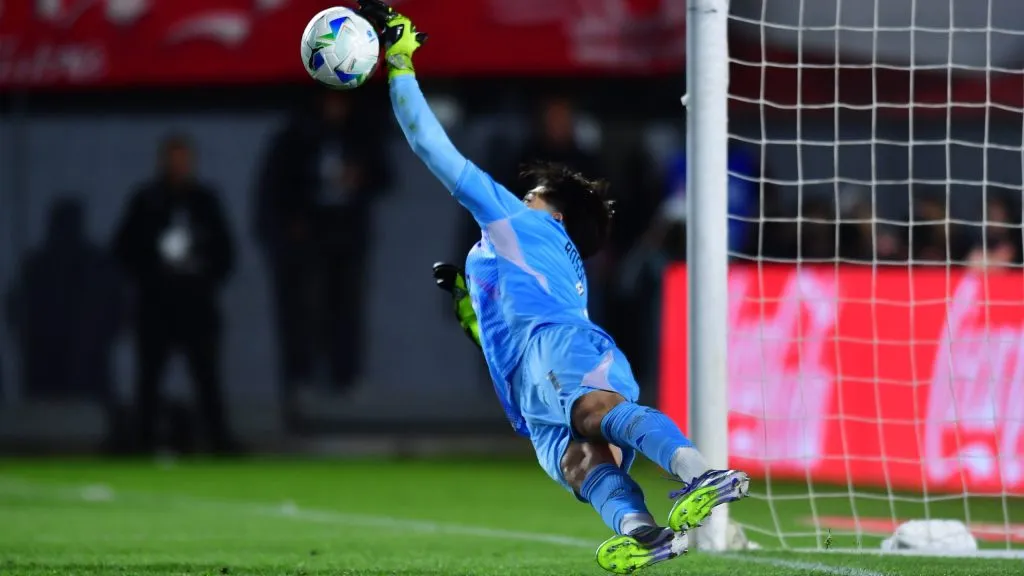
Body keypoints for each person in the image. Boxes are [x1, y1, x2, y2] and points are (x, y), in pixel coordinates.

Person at [355, 2, 749, 572]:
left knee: (595, 412)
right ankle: (645, 535)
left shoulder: (519, 222)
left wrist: (400, 65)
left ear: (556, 216)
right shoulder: (527, 249)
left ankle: (702, 473)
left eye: (535, 191)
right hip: (527, 381)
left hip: (560, 347)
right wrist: (471, 313)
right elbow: (504, 329)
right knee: (583, 465)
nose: (525, 194)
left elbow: (430, 147)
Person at [254, 90, 390, 416]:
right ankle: (301, 381)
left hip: (347, 238)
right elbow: (276, 188)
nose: (335, 108)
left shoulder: (360, 136)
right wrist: (292, 221)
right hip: (307, 243)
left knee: (346, 311)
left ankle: (346, 378)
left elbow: (384, 176)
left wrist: (361, 176)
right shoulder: (295, 137)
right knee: (304, 312)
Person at [114, 134, 236, 454]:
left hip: (197, 302)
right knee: (149, 376)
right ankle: (142, 441)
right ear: (163, 161)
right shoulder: (146, 200)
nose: (179, 166)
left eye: (185, 160)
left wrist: (204, 274)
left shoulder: (205, 200)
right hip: (157, 303)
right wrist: (152, 273)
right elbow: (124, 248)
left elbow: (225, 251)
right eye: (174, 159)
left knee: (207, 376)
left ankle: (219, 440)